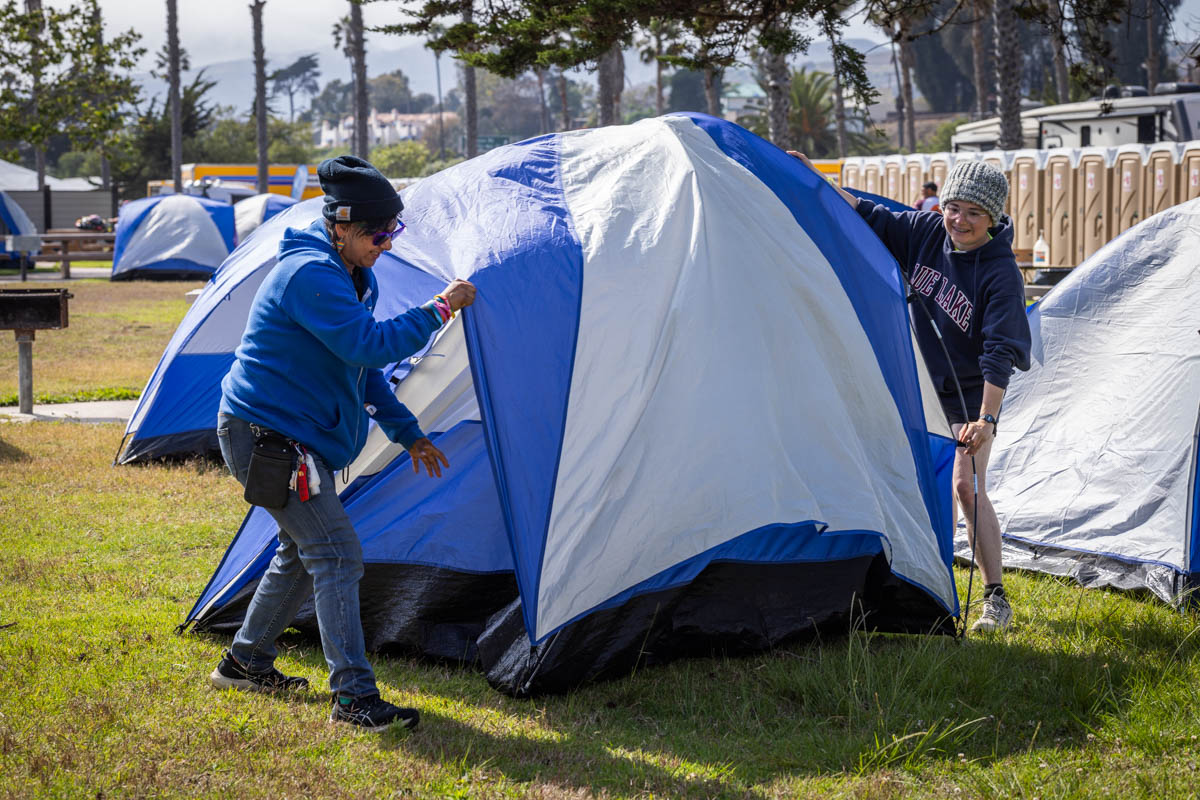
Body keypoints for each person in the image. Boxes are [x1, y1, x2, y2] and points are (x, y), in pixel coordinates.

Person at [208, 154, 476, 729]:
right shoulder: (310, 275)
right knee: (334, 555)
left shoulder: (353, 273)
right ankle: (353, 700)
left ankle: (244, 661)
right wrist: (441, 308)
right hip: (269, 439)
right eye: (381, 233)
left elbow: (361, 372)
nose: (387, 243)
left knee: (301, 554)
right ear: (344, 227)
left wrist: (409, 435)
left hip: (291, 439)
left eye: (393, 231)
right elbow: (370, 347)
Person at [790, 152, 1030, 633]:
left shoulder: (1000, 273)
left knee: (966, 485)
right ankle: (900, 579)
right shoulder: (925, 231)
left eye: (973, 213)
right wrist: (814, 178)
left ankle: (996, 599)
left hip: (967, 397)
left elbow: (1000, 351)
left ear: (994, 218)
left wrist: (986, 421)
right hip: (916, 385)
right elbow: (867, 213)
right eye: (953, 206)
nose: (959, 220)